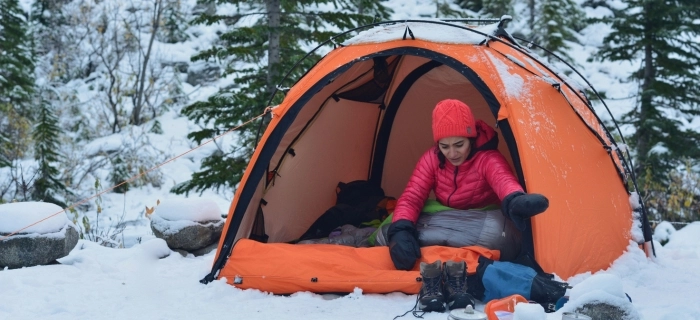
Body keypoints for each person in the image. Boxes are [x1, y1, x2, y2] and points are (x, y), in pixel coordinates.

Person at [387, 99, 549, 312]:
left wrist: (514, 200)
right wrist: (401, 230)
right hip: (448, 218)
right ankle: (453, 259)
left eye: (459, 145)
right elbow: (412, 196)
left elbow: (503, 180)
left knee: (497, 231)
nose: (452, 153)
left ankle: (439, 255)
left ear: (470, 139)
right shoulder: (432, 159)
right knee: (392, 228)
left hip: (481, 220)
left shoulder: (487, 158)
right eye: (445, 146)